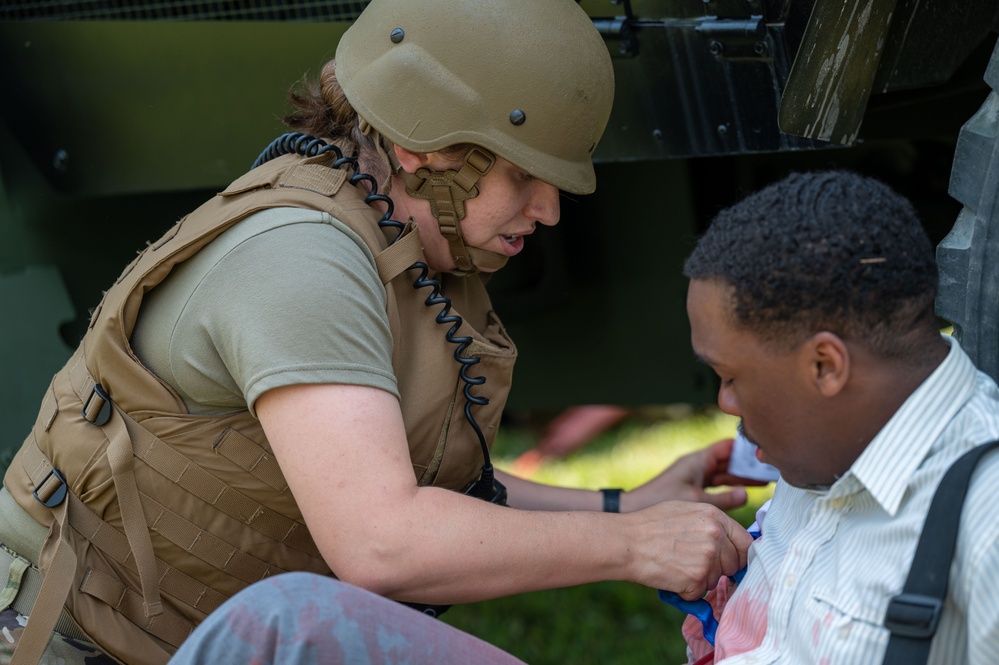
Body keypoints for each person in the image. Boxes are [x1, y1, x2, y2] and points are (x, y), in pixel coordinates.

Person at [0, 2, 755, 663]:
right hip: (72, 644)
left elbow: (402, 483)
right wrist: (633, 548)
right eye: (523, 176)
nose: (548, 210)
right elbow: (383, 540)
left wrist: (622, 509)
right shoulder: (305, 258)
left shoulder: (392, 236)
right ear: (424, 149)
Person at [680, 170, 999, 663]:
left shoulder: (985, 523)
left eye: (730, 376)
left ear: (825, 366)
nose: (725, 403)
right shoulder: (827, 443)